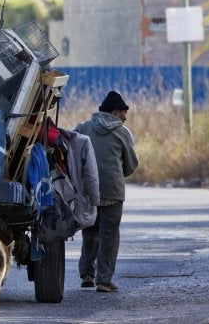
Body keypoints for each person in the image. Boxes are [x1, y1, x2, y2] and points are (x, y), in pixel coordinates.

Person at [74, 90, 139, 293]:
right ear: (115, 111)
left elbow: (73, 155)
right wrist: (117, 174)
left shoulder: (83, 128)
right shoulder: (122, 132)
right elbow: (130, 165)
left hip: (88, 190)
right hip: (113, 190)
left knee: (90, 231)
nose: (125, 117)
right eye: (123, 112)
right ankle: (104, 280)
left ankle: (86, 274)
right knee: (109, 235)